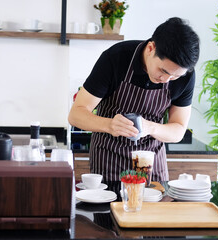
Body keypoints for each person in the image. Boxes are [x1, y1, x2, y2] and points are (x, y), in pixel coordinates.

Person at [68, 17, 200, 182]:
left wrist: (151, 127)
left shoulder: (185, 76)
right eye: (163, 71)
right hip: (109, 160)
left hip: (150, 163)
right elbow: (76, 114)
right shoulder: (115, 58)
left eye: (175, 76)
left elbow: (178, 130)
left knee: (152, 206)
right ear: (151, 48)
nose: (166, 80)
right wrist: (110, 125)